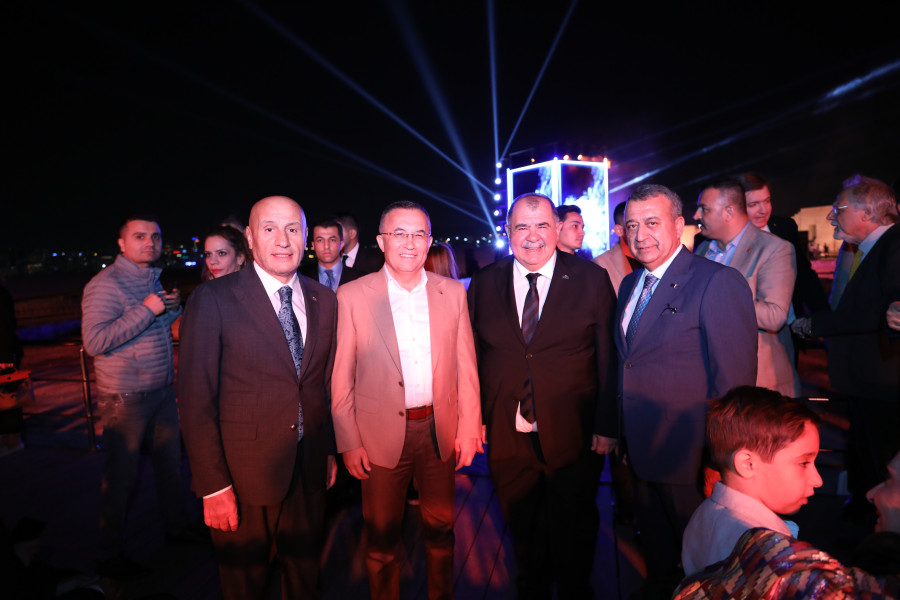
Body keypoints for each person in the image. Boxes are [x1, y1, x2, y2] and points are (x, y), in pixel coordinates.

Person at [179, 196, 338, 600]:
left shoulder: (324, 299)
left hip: (308, 470)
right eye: (270, 229)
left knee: (305, 578)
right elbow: (196, 401)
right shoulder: (213, 299)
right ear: (250, 238)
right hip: (242, 477)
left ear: (305, 237)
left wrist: (328, 451)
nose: (283, 240)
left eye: (292, 229)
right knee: (245, 585)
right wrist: (214, 486)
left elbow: (320, 385)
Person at [468, 193, 618, 598]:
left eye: (541, 226)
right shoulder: (484, 282)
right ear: (508, 231)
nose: (532, 236)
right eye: (521, 227)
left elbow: (608, 357)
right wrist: (477, 419)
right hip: (507, 432)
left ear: (557, 229)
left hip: (574, 432)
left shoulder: (591, 279)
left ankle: (574, 589)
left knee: (575, 523)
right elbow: (475, 356)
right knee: (521, 523)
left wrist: (607, 425)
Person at [331, 200, 482, 600]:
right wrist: (348, 440)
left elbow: (467, 367)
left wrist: (469, 428)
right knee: (381, 539)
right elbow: (341, 376)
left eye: (419, 234)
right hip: (376, 436)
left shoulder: (452, 292)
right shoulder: (352, 295)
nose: (410, 243)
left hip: (438, 433)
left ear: (430, 241)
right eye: (399, 233)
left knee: (441, 531)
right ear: (382, 241)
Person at [617, 184, 757, 599]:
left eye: (652, 223)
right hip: (640, 450)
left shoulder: (717, 281)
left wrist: (719, 459)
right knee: (658, 554)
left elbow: (733, 384)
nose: (640, 234)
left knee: (704, 564)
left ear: (679, 226)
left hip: (690, 456)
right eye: (631, 225)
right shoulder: (629, 284)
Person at [81, 214, 194, 580]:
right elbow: (95, 341)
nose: (150, 242)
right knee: (121, 479)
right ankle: (108, 555)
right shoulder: (105, 284)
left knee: (170, 468)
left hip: (161, 390)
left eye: (155, 237)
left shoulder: (151, 280)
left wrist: (172, 309)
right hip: (125, 396)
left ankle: (176, 530)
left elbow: (157, 328)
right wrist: (148, 309)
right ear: (121, 244)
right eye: (140, 236)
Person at [792, 176, 900, 512]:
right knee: (868, 456)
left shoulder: (894, 245)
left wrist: (816, 324)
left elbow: (881, 310)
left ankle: (881, 529)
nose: (830, 216)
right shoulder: (874, 249)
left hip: (882, 383)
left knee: (881, 463)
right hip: (869, 382)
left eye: (838, 209)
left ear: (867, 213)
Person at [681, 386, 823, 575]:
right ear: (747, 464)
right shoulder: (760, 551)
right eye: (804, 463)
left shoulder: (707, 513)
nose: (818, 480)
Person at [694, 179, 800, 397]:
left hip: (757, 384)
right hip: (710, 379)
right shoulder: (703, 249)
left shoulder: (774, 249)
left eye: (704, 209)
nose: (696, 215)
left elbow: (775, 316)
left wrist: (714, 299)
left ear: (729, 212)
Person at [733, 173, 829, 319]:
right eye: (753, 204)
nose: (764, 210)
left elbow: (804, 275)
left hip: (789, 323)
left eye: (767, 201)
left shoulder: (785, 228)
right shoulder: (721, 238)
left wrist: (824, 316)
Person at [299, 218, 364, 291]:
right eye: (320, 240)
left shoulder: (361, 279)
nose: (326, 246)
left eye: (332, 240)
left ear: (341, 244)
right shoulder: (300, 277)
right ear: (313, 245)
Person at [593, 201, 640, 294]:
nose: (641, 231)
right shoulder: (601, 264)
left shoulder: (655, 257)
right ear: (619, 230)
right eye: (633, 226)